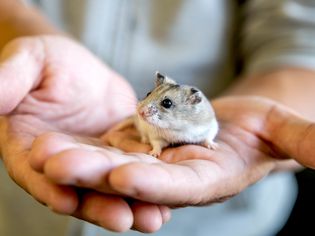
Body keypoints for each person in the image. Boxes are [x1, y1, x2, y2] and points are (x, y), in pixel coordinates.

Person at [1, 0, 315, 235]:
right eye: (148, 99)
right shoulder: (150, 116)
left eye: (162, 104)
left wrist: (224, 138)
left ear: (192, 104)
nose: (145, 108)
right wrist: (21, 30)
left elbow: (300, 42)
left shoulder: (202, 118)